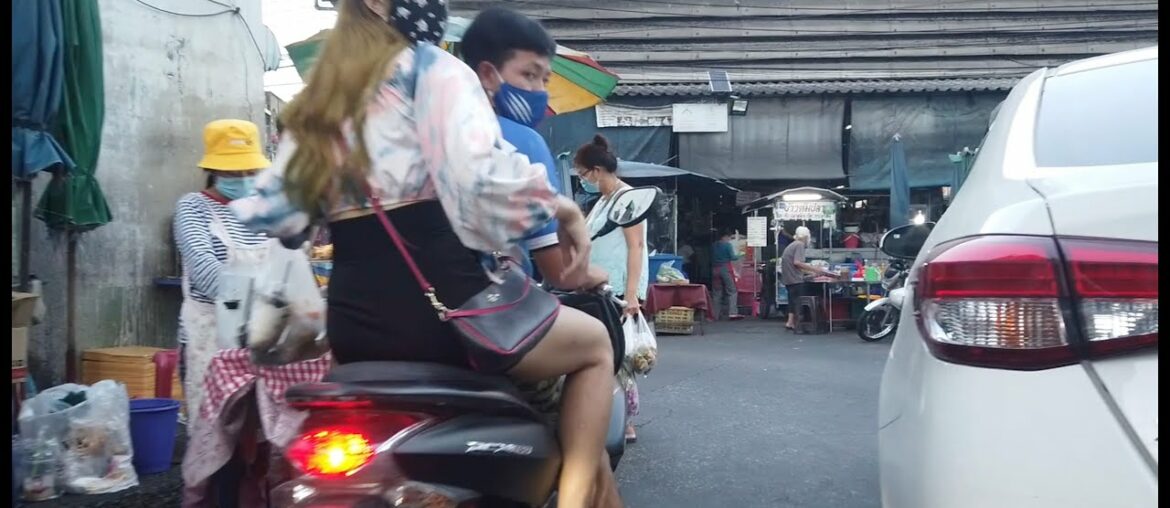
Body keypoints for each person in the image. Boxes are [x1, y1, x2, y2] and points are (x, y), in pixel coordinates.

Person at [228, 2, 616, 507]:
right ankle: (574, 497)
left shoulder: (319, 99)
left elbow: (277, 215)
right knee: (594, 346)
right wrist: (563, 209)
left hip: (352, 323)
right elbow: (480, 182)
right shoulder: (431, 68)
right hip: (445, 309)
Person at [460, 6, 605, 290]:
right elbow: (562, 274)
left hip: (413, 298)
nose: (539, 90)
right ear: (488, 74)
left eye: (544, 79)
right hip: (492, 308)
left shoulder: (435, 128)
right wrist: (600, 275)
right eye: (529, 74)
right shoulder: (524, 142)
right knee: (596, 334)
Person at [172, 118, 271, 505]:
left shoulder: (265, 210)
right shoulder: (193, 208)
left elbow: (288, 258)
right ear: (213, 169)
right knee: (216, 438)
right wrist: (269, 302)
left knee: (261, 437)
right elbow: (208, 274)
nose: (243, 177)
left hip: (264, 339)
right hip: (210, 339)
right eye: (233, 171)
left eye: (250, 170)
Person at [574, 134, 648, 444]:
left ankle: (625, 420)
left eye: (582, 173)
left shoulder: (627, 197)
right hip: (600, 285)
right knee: (604, 352)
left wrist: (631, 293)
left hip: (618, 287)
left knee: (618, 354)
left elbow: (637, 245)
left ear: (596, 170)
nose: (582, 180)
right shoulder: (602, 201)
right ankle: (607, 413)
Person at [781, 226, 838, 331]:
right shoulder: (799, 245)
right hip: (795, 279)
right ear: (806, 237)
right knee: (801, 299)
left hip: (789, 278)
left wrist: (811, 272)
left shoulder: (792, 245)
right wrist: (815, 269)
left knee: (792, 300)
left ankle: (790, 322)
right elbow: (797, 262)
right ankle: (801, 321)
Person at [711, 229, 741, 320]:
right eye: (729, 237)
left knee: (717, 292)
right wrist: (740, 255)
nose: (729, 239)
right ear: (724, 237)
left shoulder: (713, 246)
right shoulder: (727, 245)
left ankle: (715, 315)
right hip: (725, 269)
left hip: (714, 269)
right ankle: (732, 312)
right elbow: (733, 257)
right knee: (732, 291)